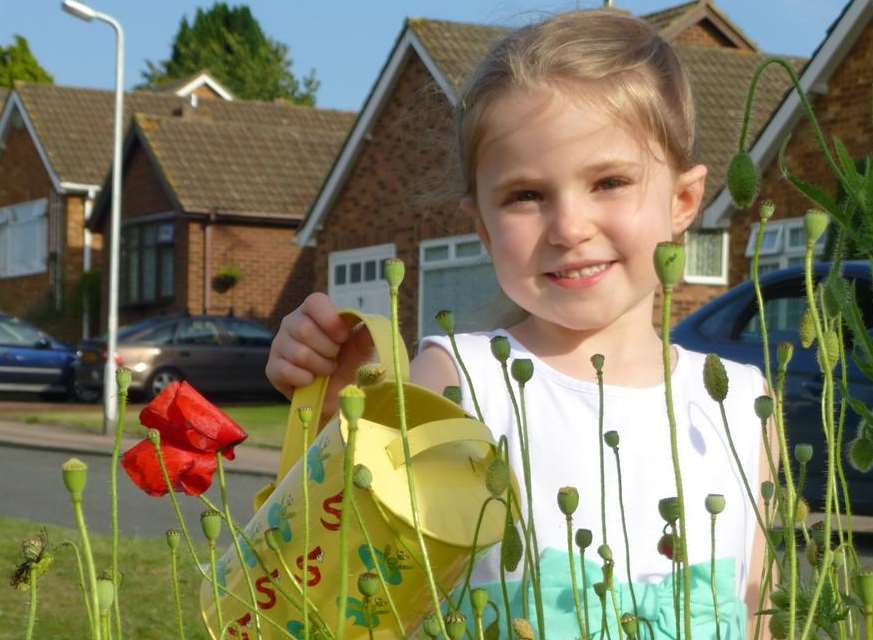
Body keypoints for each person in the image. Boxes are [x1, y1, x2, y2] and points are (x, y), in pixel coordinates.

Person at [266, 9, 771, 639]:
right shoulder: (462, 380)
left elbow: (759, 615)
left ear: (683, 202)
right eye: (525, 196)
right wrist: (334, 412)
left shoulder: (740, 404)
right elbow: (322, 582)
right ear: (481, 226)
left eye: (609, 181)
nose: (569, 227)